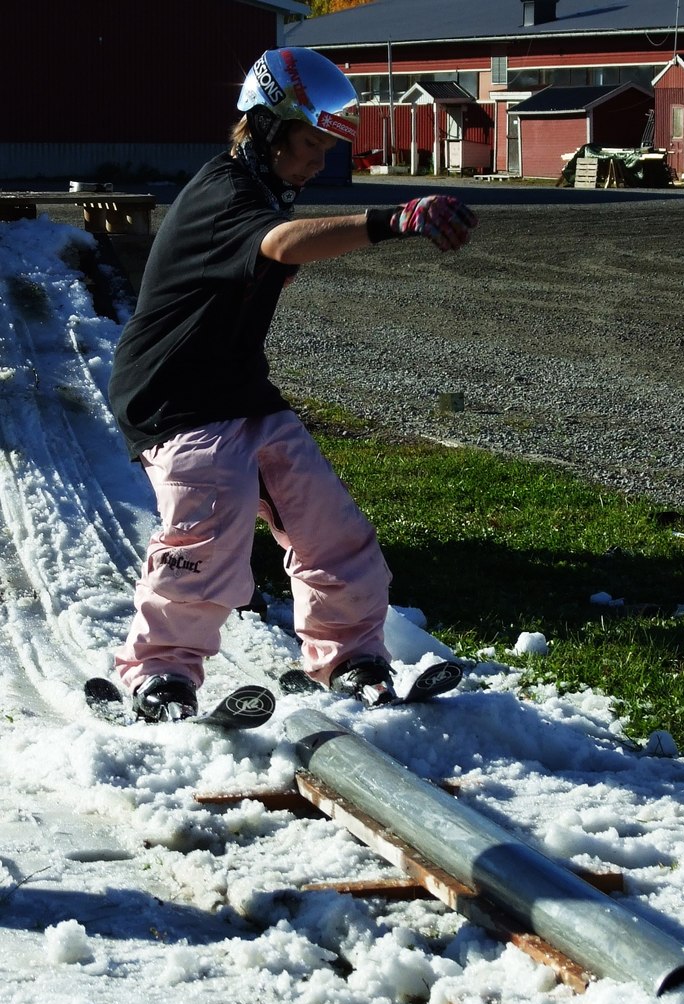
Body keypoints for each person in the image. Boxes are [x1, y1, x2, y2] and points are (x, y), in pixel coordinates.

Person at [108, 46, 477, 722]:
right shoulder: (224, 192)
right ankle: (159, 674)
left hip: (241, 393)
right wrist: (394, 220)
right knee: (207, 541)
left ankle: (350, 655)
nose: (315, 164)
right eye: (308, 145)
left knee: (331, 529)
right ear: (264, 126)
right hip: (176, 400)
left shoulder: (259, 192)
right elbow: (283, 243)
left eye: (325, 151)